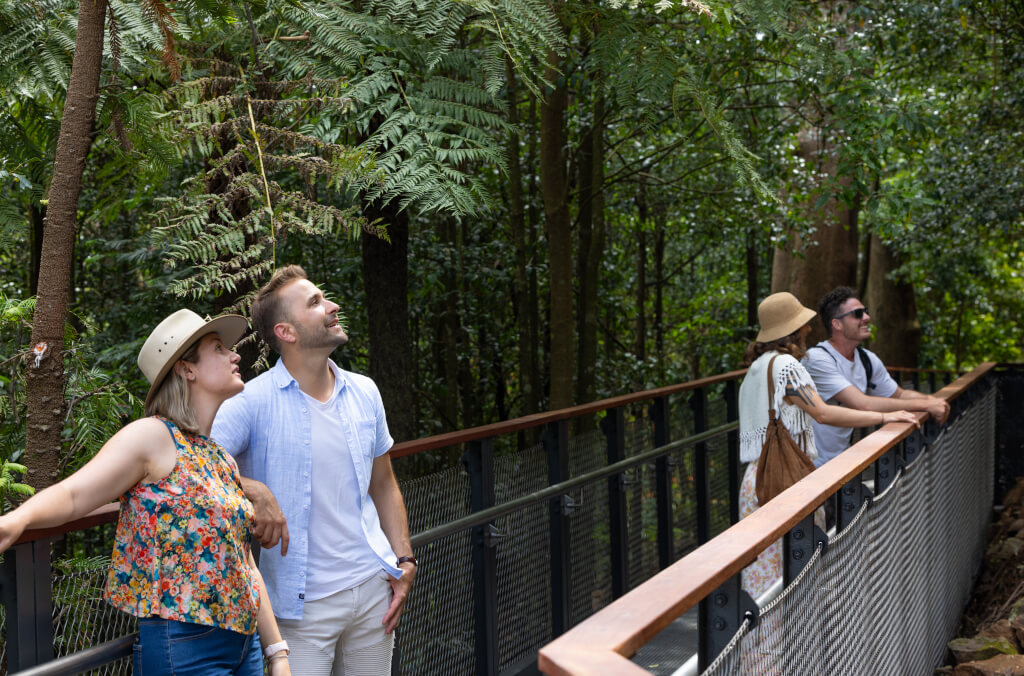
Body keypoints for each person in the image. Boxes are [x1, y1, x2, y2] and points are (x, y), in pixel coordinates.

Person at [0, 310, 291, 676]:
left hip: (244, 645)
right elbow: (76, 494)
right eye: (219, 348)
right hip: (186, 645)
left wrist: (277, 651)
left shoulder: (219, 458)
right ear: (187, 369)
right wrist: (18, 519)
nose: (235, 355)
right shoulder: (152, 437)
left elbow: (243, 562)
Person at [212, 265, 415, 675]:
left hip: (374, 591)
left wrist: (405, 560)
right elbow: (196, 466)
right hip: (297, 609)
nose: (332, 306)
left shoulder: (365, 392)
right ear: (286, 332)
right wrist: (255, 491)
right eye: (316, 302)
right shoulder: (250, 402)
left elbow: (384, 483)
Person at [738, 292, 918, 599]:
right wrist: (884, 415)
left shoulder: (756, 369)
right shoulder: (786, 366)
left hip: (755, 482)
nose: (809, 330)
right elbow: (822, 412)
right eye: (804, 324)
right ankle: (790, 648)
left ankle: (762, 649)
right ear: (793, 330)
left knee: (764, 586)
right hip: (786, 481)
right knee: (800, 581)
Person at [803, 286, 950, 468]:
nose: (866, 318)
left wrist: (935, 401)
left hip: (837, 461)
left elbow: (899, 395)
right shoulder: (818, 359)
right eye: (858, 314)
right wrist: (927, 405)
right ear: (837, 324)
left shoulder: (867, 359)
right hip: (806, 464)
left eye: (865, 312)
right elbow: (863, 404)